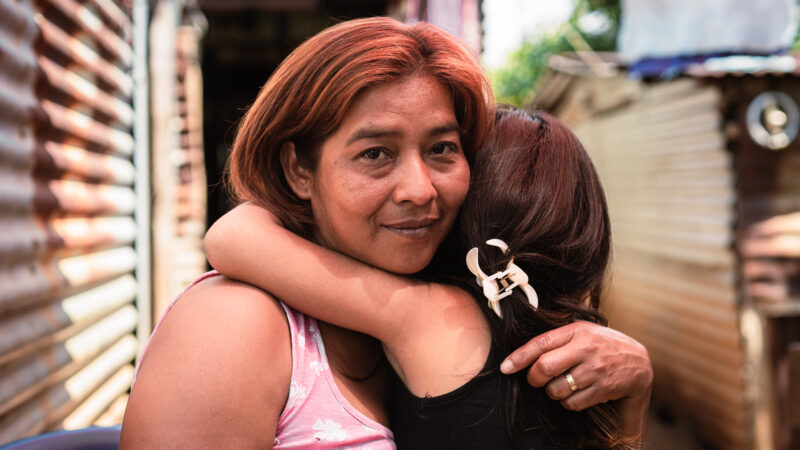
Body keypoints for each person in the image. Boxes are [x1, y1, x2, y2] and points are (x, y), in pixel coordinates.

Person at [120, 17, 651, 449]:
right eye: (375, 154)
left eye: (443, 148)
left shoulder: (460, 312)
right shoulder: (235, 324)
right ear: (299, 171)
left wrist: (632, 387)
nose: (419, 190)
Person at [204, 105, 642, 448]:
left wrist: (301, 179)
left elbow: (230, 237)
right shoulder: (603, 361)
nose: (422, 189)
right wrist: (640, 385)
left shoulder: (430, 317)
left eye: (442, 153)